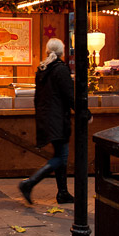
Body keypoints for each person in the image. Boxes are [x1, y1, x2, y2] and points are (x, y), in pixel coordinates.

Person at [19, 38, 81, 205]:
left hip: (46, 118)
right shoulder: (61, 70)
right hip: (58, 119)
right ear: (62, 52)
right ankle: (29, 183)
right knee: (61, 157)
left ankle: (62, 193)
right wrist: (84, 112)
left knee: (59, 154)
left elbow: (38, 97)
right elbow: (70, 96)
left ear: (47, 51)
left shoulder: (42, 69)